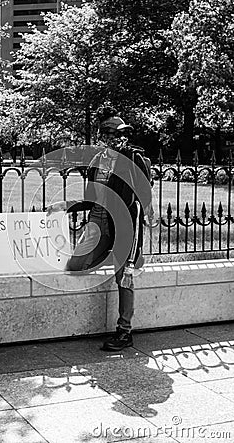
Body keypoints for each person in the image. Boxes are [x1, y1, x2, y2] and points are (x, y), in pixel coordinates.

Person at [47, 106, 152, 351]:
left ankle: (124, 333)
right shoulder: (96, 162)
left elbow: (144, 199)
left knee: (124, 278)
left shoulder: (133, 159)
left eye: (122, 134)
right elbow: (92, 199)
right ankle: (108, 256)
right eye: (114, 134)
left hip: (123, 223)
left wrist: (135, 246)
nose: (119, 139)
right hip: (97, 221)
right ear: (104, 135)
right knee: (74, 266)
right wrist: (65, 205)